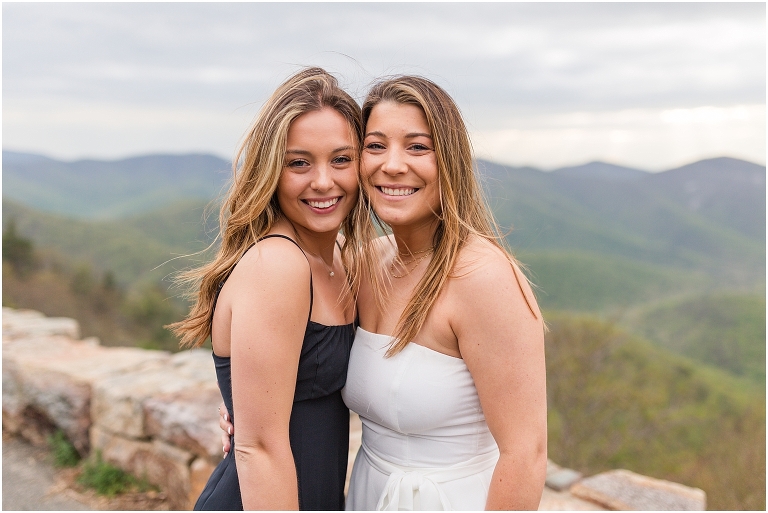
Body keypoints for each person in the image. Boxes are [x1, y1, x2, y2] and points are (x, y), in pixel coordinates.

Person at [222, 75, 547, 510]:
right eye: (375, 146)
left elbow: (526, 454)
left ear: (450, 160)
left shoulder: (482, 278)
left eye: (417, 146)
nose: (392, 165)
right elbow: (284, 357)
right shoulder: (360, 264)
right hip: (366, 496)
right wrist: (241, 412)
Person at [170, 67, 366, 510]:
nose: (323, 181)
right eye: (299, 162)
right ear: (270, 171)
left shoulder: (343, 260)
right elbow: (257, 449)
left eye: (340, 159)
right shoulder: (277, 265)